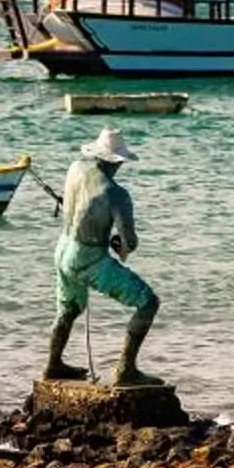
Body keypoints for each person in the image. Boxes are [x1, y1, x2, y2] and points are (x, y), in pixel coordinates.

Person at [47, 128, 161, 386]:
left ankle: (53, 365)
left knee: (69, 308)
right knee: (148, 302)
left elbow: (72, 204)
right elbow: (128, 242)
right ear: (118, 161)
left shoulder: (75, 168)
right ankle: (126, 369)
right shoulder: (116, 194)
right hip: (88, 258)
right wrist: (120, 245)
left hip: (63, 249)